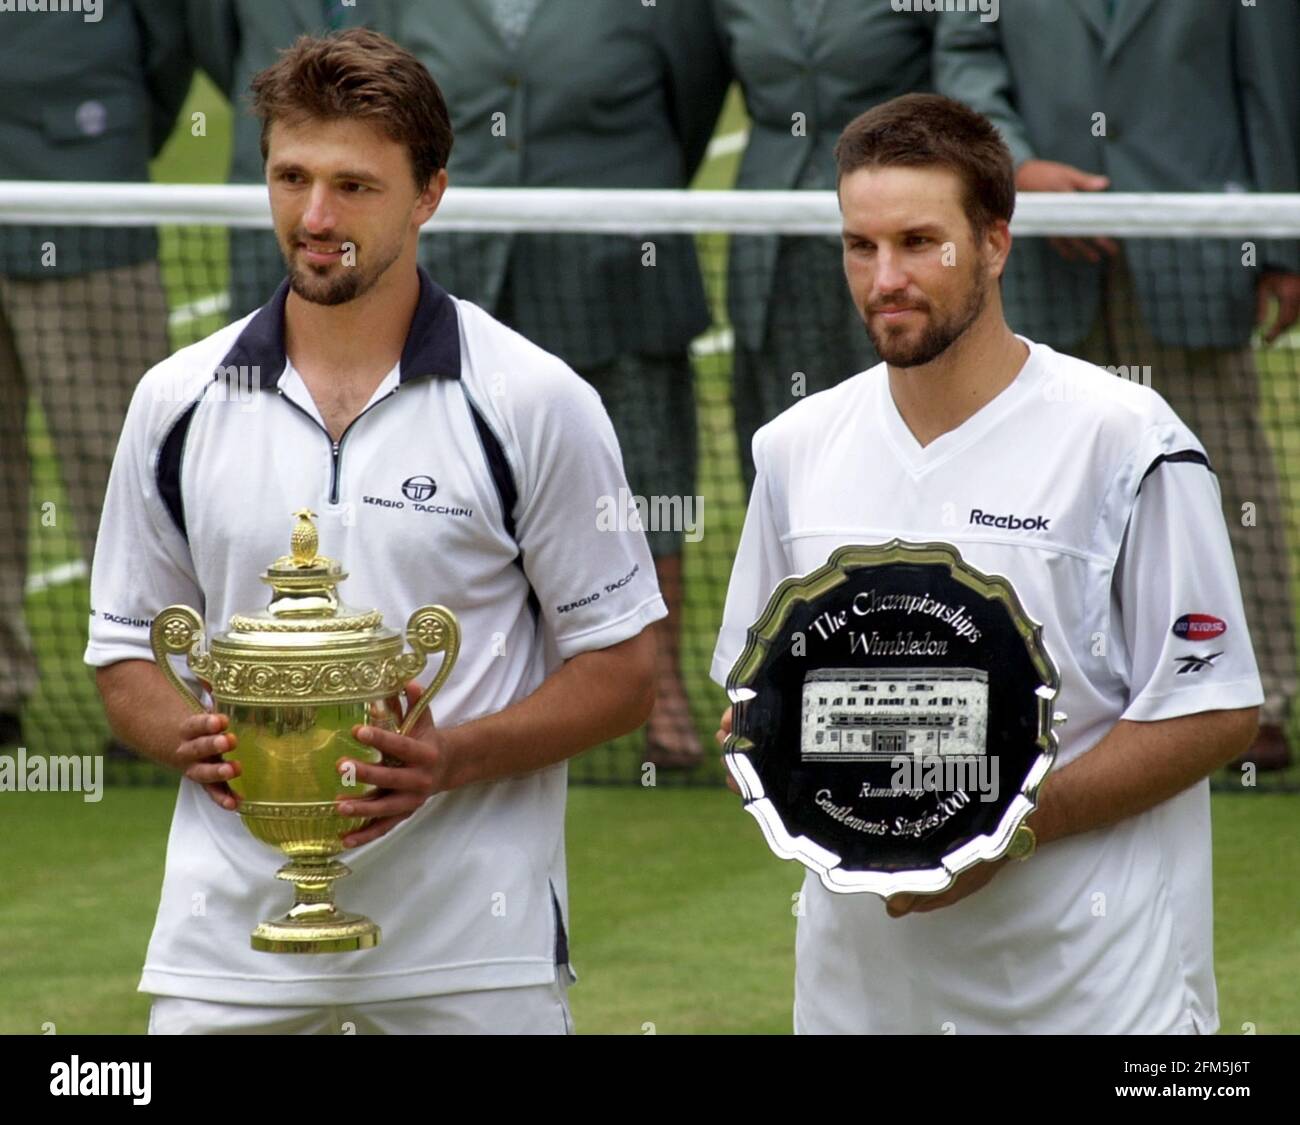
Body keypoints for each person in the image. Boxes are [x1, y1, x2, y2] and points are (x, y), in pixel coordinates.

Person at [85, 30, 662, 1035]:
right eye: (290, 177)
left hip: (475, 950)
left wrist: (453, 756)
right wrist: (195, 740)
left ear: (428, 193)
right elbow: (124, 650)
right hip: (227, 952)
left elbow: (622, 668)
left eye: (355, 186)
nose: (315, 218)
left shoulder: (535, 401)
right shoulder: (173, 400)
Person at [711, 94, 1261, 1034]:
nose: (886, 278)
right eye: (860, 246)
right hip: (857, 1002)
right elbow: (750, 707)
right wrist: (783, 761)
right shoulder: (794, 448)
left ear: (996, 242)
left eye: (921, 242)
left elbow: (1213, 707)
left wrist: (1005, 828)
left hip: (1098, 1003)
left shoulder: (1126, 442)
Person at [935, 0, 1300, 770]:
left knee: (1222, 484)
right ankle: (1041, 694)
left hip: (1193, 254)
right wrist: (1016, 168)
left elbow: (1273, 86)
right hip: (1039, 258)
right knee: (1037, 493)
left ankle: (1253, 697)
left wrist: (1281, 240)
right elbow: (966, 57)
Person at [393, 0, 730, 769]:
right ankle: (487, 694)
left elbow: (695, 96)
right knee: (453, 487)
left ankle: (661, 697)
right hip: (468, 266)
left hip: (619, 268)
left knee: (646, 487)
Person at [0, 0, 192, 751]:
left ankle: (155, 682)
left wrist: (98, 138)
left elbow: (173, 45)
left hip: (82, 197)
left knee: (122, 461)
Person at [710, 0, 933, 490]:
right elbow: (690, 97)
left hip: (894, 228)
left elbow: (959, 77)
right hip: (770, 246)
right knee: (784, 431)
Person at [182, 0, 398, 320]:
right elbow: (211, 39)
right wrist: (277, 106)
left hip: (381, 164)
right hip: (260, 172)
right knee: (258, 330)